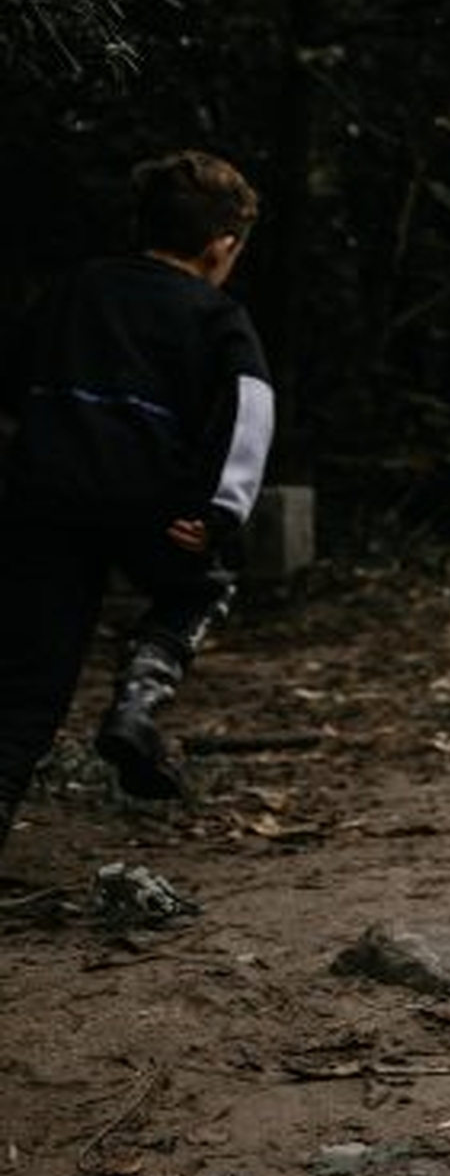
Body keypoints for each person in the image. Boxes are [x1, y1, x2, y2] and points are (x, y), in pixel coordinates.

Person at [0, 150, 272, 858]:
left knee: (29, 687)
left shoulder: (74, 289)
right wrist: (221, 513)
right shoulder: (218, 316)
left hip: (45, 504)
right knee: (202, 588)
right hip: (154, 509)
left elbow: (15, 377)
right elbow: (250, 414)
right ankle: (137, 701)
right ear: (222, 248)